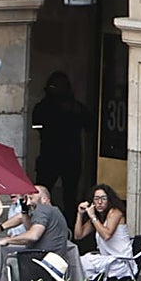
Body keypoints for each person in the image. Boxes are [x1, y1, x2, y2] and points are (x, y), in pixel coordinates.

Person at [31, 71, 88, 222]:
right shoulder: (44, 107)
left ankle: (69, 226)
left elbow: (89, 124)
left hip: (69, 157)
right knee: (41, 193)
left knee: (70, 196)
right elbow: (37, 125)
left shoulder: (75, 108)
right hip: (50, 156)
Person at [0, 185, 70, 254]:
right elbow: (24, 221)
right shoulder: (52, 211)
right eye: (27, 199)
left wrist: (7, 240)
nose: (28, 202)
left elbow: (33, 235)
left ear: (44, 199)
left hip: (43, 260)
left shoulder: (43, 209)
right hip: (48, 257)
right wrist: (24, 211)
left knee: (6, 258)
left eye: (31, 198)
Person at [73, 184, 134, 281]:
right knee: (77, 262)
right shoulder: (97, 218)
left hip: (121, 263)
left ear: (109, 200)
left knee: (82, 264)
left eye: (103, 199)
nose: (100, 202)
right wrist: (80, 214)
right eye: (96, 199)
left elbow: (106, 235)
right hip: (107, 261)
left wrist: (93, 217)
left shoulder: (115, 212)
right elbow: (78, 235)